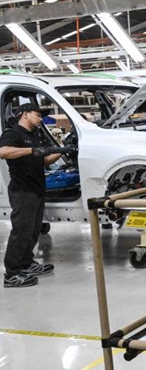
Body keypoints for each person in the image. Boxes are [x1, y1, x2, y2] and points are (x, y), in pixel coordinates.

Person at [0, 103, 74, 288]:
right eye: (38, 115)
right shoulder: (13, 133)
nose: (41, 118)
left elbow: (44, 159)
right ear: (25, 114)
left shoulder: (35, 135)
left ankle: (26, 264)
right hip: (22, 190)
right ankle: (12, 274)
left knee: (32, 232)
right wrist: (31, 150)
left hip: (37, 189)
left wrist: (62, 150)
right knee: (21, 232)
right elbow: (3, 152)